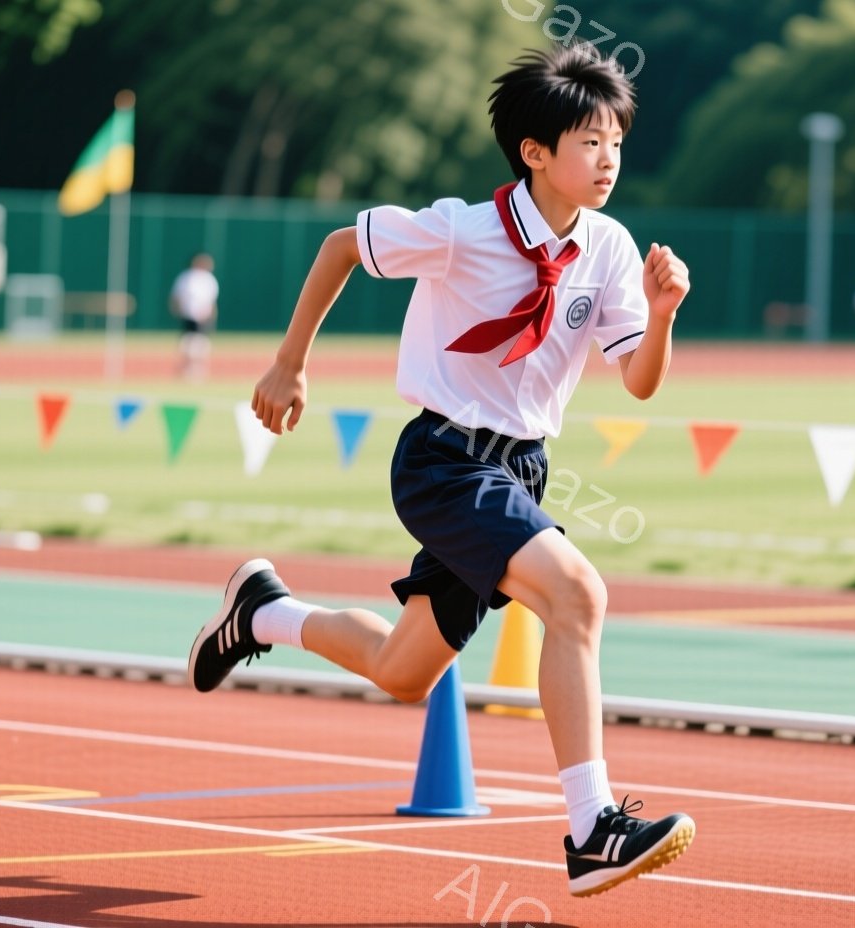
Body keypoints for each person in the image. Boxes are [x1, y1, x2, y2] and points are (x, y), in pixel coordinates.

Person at [187, 46, 694, 898]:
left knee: (402, 671)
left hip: (521, 471)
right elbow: (342, 245)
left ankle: (263, 612)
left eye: (615, 143)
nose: (607, 160)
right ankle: (591, 828)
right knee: (578, 595)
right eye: (588, 142)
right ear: (534, 152)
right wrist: (289, 364)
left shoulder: (608, 248)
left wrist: (665, 315)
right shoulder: (464, 228)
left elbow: (637, 379)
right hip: (445, 460)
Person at [169, 253, 219, 379]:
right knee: (187, 343)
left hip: (204, 317)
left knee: (201, 344)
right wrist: (177, 309)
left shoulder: (209, 279)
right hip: (189, 316)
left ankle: (198, 370)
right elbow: (177, 296)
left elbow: (211, 300)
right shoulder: (186, 277)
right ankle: (185, 368)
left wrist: (211, 315)